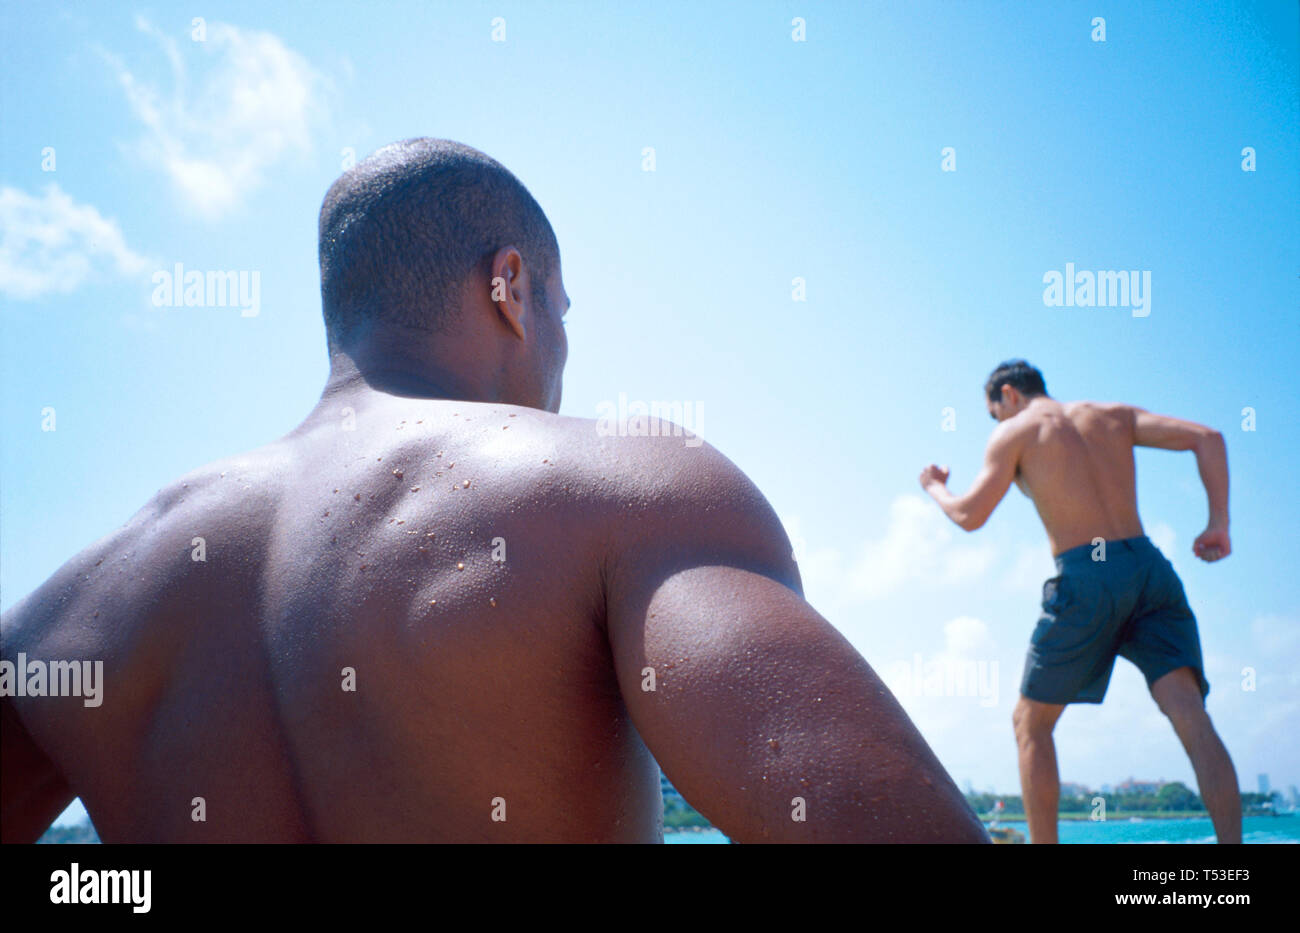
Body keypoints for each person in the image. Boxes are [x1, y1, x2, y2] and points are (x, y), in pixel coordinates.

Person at [1, 138, 988, 843]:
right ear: (509, 287)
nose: (561, 350)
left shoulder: (68, 612)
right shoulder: (622, 488)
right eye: (561, 309)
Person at [919, 359, 1240, 843]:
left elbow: (969, 515)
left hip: (1087, 575)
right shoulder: (1109, 414)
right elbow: (1209, 437)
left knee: (1031, 724)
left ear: (1008, 395)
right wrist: (1219, 524)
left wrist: (935, 487)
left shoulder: (1016, 432)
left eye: (995, 413)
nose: (999, 424)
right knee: (1191, 714)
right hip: (1148, 568)